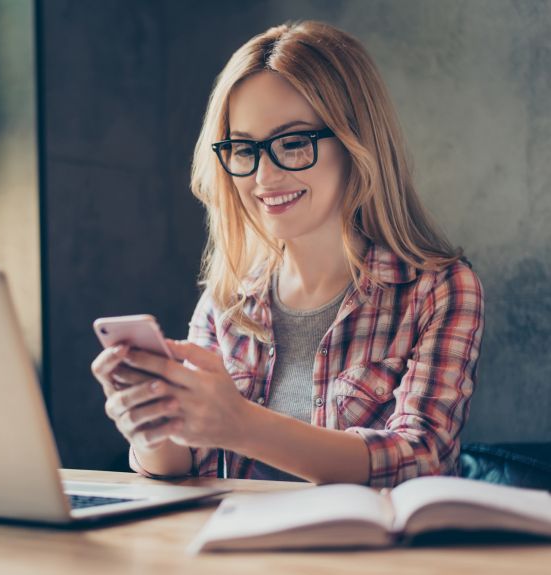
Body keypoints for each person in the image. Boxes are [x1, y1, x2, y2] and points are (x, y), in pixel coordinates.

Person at [91, 20, 484, 487]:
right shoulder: (231, 295)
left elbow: (422, 458)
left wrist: (240, 424)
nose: (263, 177)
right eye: (243, 149)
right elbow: (182, 466)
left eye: (293, 143)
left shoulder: (439, 290)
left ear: (357, 144)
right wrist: (153, 424)